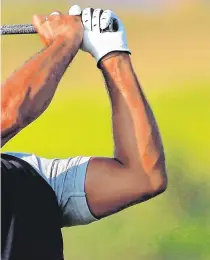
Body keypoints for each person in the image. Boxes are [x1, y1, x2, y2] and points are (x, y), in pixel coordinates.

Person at [1, 5, 168, 260]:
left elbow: (142, 177)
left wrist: (111, 52)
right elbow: (9, 113)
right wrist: (65, 42)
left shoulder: (29, 176)